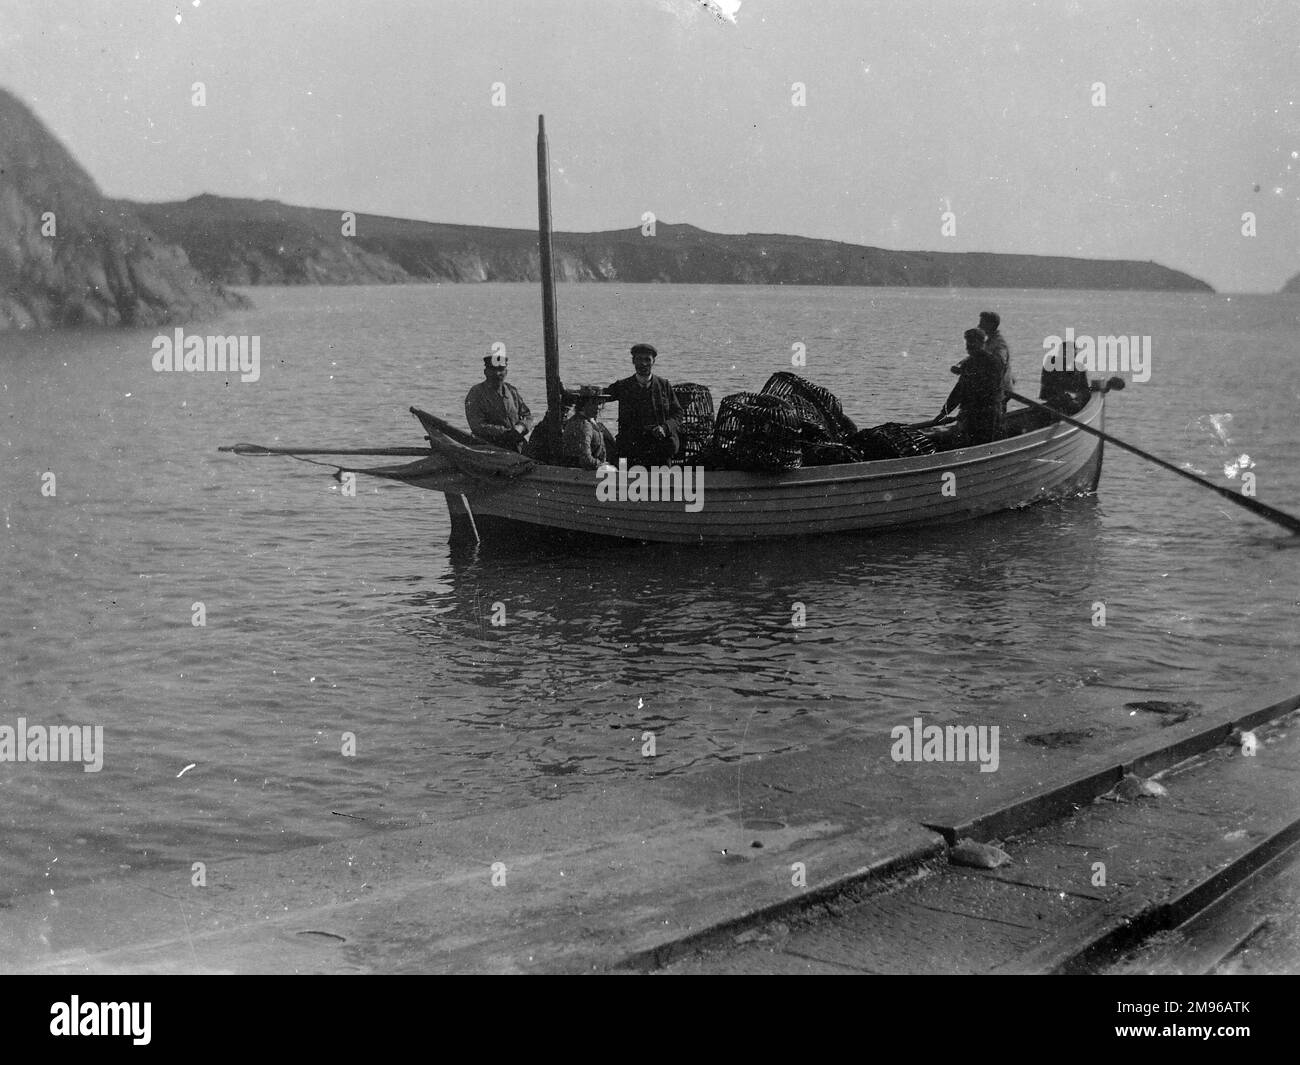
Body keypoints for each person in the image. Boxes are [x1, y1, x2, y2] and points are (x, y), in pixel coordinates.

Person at [606, 343, 682, 465]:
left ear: (654, 361)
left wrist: (665, 428)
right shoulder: (622, 386)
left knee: (662, 482)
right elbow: (600, 397)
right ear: (633, 361)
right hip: (631, 449)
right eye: (639, 359)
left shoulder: (664, 385)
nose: (643, 363)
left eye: (647, 359)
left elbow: (678, 414)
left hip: (660, 448)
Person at [934, 328, 1006, 446]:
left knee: (983, 444)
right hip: (971, 413)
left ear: (982, 343)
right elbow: (959, 390)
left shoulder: (993, 363)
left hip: (987, 414)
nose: (969, 346)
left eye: (972, 342)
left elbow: (991, 391)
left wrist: (969, 409)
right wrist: (944, 413)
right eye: (967, 342)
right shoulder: (969, 363)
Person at [464, 351, 533, 451]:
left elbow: (528, 416)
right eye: (493, 369)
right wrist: (505, 432)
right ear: (485, 372)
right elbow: (476, 425)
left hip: (516, 446)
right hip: (489, 447)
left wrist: (521, 426)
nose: (497, 373)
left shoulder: (512, 391)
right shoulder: (476, 393)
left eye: (501, 369)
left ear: (506, 372)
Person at [561, 387, 610, 469]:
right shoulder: (583, 425)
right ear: (583, 404)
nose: (598, 407)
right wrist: (603, 465)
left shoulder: (588, 422)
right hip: (581, 473)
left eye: (599, 403)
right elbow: (585, 459)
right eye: (593, 403)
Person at [978, 310, 1014, 406]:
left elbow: (999, 361)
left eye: (982, 323)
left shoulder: (999, 343)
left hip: (1001, 389)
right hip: (993, 388)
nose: (979, 326)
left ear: (991, 325)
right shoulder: (989, 342)